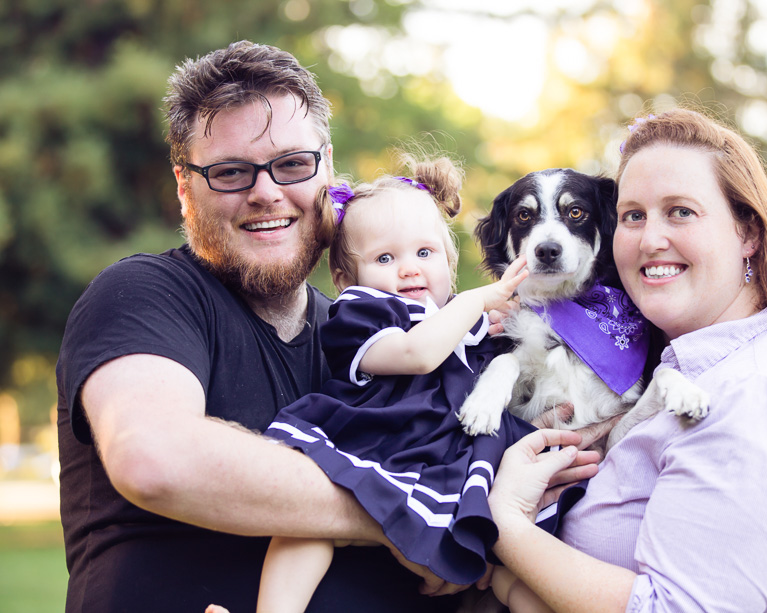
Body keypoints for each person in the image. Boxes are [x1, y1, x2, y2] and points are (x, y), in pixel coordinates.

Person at [54, 40, 483, 612]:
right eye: (230, 172)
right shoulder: (147, 295)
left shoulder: (370, 342)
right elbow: (154, 457)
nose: (265, 191)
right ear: (184, 187)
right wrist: (401, 513)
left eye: (292, 164)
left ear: (326, 169)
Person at [483, 108, 767, 612]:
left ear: (747, 232)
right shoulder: (685, 364)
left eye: (681, 211)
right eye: (633, 215)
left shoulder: (757, 393)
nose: (650, 239)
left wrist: (501, 526)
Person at [201, 154, 538, 613]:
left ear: (449, 261)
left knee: (513, 569)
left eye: (425, 253)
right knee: (307, 527)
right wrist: (479, 301)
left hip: (447, 465)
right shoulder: (364, 314)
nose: (409, 269)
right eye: (385, 257)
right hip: (381, 445)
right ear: (345, 280)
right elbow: (416, 355)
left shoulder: (463, 317)